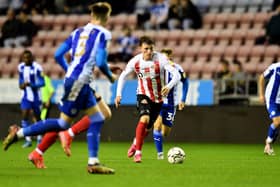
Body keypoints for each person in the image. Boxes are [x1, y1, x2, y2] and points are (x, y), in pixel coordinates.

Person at [3, 2, 116, 174]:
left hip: (76, 80)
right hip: (80, 81)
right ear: (107, 17)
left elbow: (57, 55)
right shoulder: (104, 34)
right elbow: (100, 62)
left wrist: (69, 70)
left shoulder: (77, 32)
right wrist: (110, 76)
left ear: (91, 15)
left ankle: (93, 162)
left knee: (96, 118)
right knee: (64, 123)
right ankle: (20, 134)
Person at [114, 36, 181, 163]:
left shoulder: (160, 59)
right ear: (140, 48)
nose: (149, 51)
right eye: (146, 49)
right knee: (144, 118)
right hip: (143, 94)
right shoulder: (135, 61)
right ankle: (138, 153)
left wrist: (168, 86)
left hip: (158, 99)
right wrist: (118, 94)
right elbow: (123, 76)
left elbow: (176, 75)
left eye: (151, 49)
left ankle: (135, 143)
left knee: (148, 128)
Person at [152, 48, 188, 159]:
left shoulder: (177, 68)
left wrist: (183, 99)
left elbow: (185, 82)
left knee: (165, 132)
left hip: (172, 104)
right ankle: (160, 154)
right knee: (156, 126)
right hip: (159, 102)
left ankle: (160, 141)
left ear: (169, 57)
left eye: (165, 57)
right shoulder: (156, 67)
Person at [18, 50, 45, 148]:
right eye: (24, 58)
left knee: (37, 117)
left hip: (36, 97)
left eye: (28, 58)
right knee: (25, 116)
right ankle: (28, 140)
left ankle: (39, 138)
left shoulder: (37, 67)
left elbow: (43, 83)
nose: (26, 59)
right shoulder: (20, 67)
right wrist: (22, 85)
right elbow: (20, 81)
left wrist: (32, 84)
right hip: (25, 96)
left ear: (31, 58)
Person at [258, 61, 280, 156]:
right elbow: (262, 77)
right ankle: (268, 143)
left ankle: (269, 143)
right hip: (272, 99)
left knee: (277, 124)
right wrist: (261, 95)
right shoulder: (275, 67)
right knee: (277, 121)